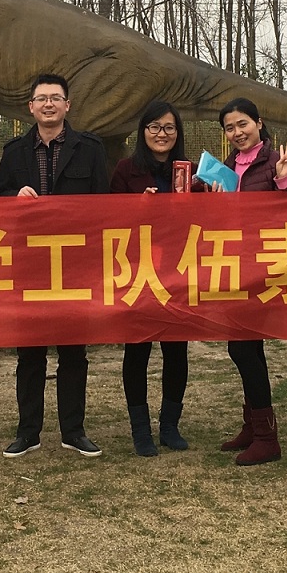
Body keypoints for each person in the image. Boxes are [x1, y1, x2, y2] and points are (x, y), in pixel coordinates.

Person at [0, 72, 109, 458]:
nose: (48, 104)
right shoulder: (14, 152)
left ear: (67, 105)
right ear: (30, 107)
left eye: (55, 98)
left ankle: (73, 430)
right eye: (41, 98)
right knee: (30, 353)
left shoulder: (90, 149)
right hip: (29, 264)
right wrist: (14, 196)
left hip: (75, 265)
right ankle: (28, 431)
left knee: (73, 352)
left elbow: (104, 205)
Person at [109, 99, 202, 456]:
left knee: (176, 349)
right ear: (143, 131)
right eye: (154, 127)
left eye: (169, 128)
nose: (161, 134)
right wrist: (138, 207)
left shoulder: (190, 171)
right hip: (139, 272)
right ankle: (140, 429)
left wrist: (211, 196)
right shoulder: (125, 170)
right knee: (138, 350)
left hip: (178, 270)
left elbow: (204, 220)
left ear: (178, 133)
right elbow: (108, 219)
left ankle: (169, 425)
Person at [211, 97, 287, 467]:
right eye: (230, 127)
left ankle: (266, 437)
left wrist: (283, 179)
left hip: (264, 268)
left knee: (245, 348)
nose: (237, 132)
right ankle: (253, 425)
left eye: (243, 124)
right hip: (235, 266)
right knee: (243, 348)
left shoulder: (276, 160)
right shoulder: (226, 166)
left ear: (258, 123)